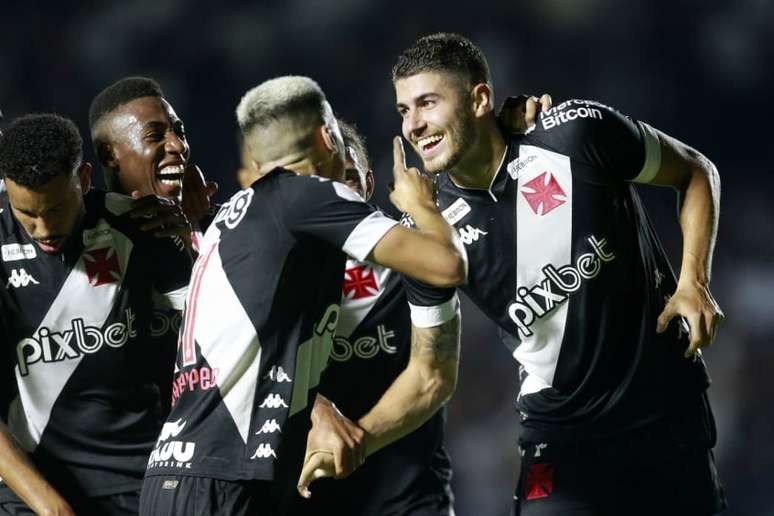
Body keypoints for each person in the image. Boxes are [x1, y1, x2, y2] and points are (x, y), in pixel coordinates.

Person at [392, 33, 726, 515]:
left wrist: (693, 281)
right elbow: (427, 371)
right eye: (404, 110)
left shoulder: (574, 133)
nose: (414, 124)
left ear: (480, 98)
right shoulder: (424, 231)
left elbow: (695, 172)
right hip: (560, 440)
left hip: (666, 414)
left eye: (427, 102)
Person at [139, 75, 467, 515]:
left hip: (178, 475)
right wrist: (419, 204)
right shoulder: (307, 198)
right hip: (227, 481)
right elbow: (448, 264)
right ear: (325, 135)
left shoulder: (234, 220)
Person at [0, 114, 193, 515]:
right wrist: (52, 507)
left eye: (55, 209)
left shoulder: (143, 225)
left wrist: (192, 236)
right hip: (33, 484)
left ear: (84, 179)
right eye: (26, 214)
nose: (42, 228)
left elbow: (217, 332)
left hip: (140, 474)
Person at [291, 120, 460, 515]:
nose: (335, 193)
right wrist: (318, 409)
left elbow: (434, 377)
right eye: (321, 180)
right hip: (310, 496)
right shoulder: (273, 266)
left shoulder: (417, 252)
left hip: (410, 500)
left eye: (346, 178)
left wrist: (518, 133)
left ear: (368, 184)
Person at [88, 76, 215, 409]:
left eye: (179, 131)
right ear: (109, 155)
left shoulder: (216, 227)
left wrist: (196, 239)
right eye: (155, 135)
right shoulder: (78, 239)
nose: (178, 146)